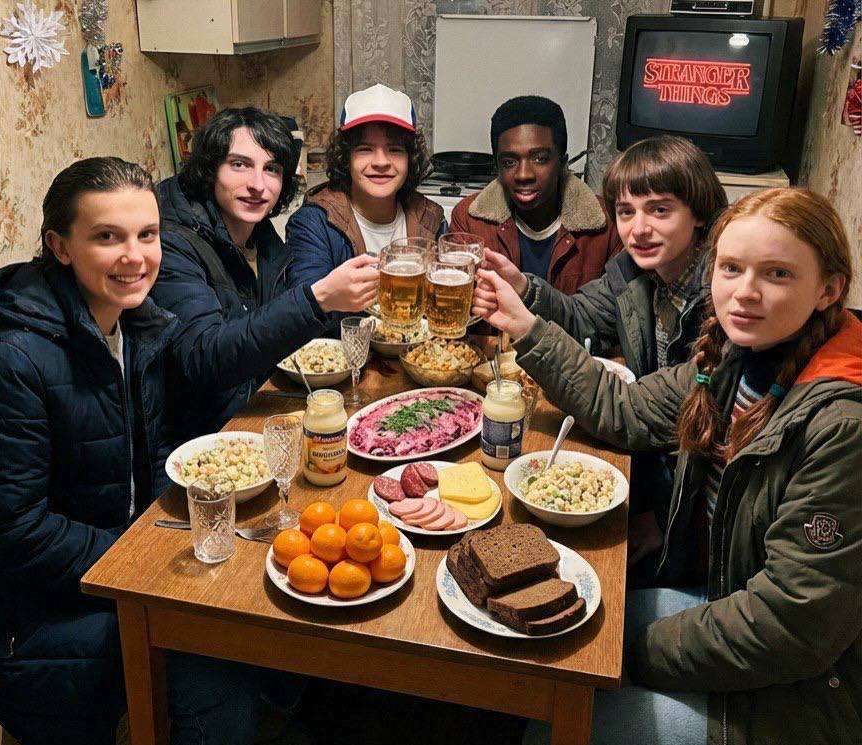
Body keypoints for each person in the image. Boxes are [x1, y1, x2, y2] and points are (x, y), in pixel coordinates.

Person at [474, 186, 862, 745]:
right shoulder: (742, 356)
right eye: (732, 268)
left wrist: (629, 657)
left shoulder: (841, 426)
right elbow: (622, 410)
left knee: (558, 744)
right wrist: (528, 327)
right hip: (733, 608)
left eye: (777, 274)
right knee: (576, 630)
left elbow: (792, 629)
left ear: (829, 289)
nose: (745, 292)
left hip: (810, 700)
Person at [0, 158, 262, 745]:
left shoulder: (134, 324)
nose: (135, 257)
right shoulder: (8, 361)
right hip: (28, 610)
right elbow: (13, 533)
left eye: (147, 235)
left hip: (117, 554)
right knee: (220, 652)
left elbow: (157, 446)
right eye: (108, 237)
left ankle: (246, 738)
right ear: (60, 246)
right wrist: (147, 559)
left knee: (257, 576)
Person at [480, 135, 728, 580]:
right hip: (656, 482)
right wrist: (523, 288)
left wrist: (661, 519)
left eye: (660, 210)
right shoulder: (638, 272)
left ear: (699, 213)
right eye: (626, 212)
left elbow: (626, 411)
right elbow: (580, 317)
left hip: (699, 528)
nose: (639, 229)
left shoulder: (728, 301)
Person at [154, 106, 378, 439]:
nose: (257, 185)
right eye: (239, 165)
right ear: (210, 168)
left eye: (271, 169)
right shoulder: (172, 243)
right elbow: (205, 359)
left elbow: (276, 328)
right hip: (206, 440)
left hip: (261, 414)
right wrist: (318, 299)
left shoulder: (260, 233)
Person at [285, 84, 446, 328]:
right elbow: (304, 321)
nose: (381, 162)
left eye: (395, 149)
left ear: (410, 158)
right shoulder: (313, 224)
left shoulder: (430, 218)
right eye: (365, 149)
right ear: (346, 158)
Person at [449, 95, 620, 293]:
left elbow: (617, 309)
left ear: (563, 163)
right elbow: (457, 302)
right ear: (498, 167)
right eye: (509, 162)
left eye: (540, 159)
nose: (524, 175)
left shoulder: (609, 224)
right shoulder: (469, 219)